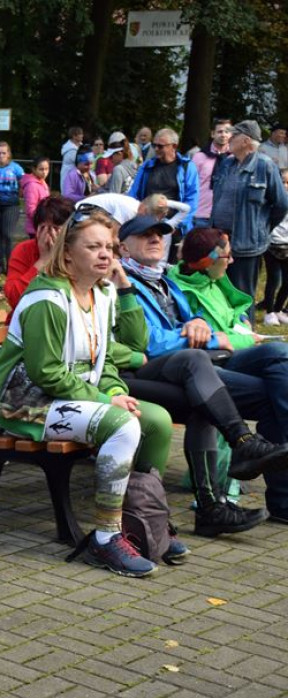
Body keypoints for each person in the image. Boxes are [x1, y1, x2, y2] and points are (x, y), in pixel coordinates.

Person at [0, 208, 174, 577]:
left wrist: (116, 392)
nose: (106, 254)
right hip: (26, 403)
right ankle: (106, 538)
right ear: (68, 252)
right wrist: (107, 402)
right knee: (123, 426)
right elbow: (46, 373)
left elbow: (103, 361)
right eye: (93, 247)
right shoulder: (48, 299)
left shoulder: (102, 293)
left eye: (109, 246)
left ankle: (147, 525)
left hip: (73, 396)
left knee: (156, 421)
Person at [118, 217, 287, 535]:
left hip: (185, 367)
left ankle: (233, 503)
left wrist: (199, 323)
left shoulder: (163, 280)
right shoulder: (121, 282)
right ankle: (243, 446)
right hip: (143, 369)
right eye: (145, 235)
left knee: (272, 377)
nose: (155, 239)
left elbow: (191, 316)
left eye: (159, 234)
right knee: (196, 364)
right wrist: (210, 337)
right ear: (123, 246)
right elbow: (146, 343)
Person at [212, 120, 288, 302]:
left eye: (234, 135)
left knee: (241, 296)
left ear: (246, 140)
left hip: (246, 244)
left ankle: (245, 330)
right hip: (219, 241)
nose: (228, 138)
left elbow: (281, 204)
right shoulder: (227, 163)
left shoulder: (265, 165)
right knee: (216, 290)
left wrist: (261, 228)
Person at [128, 127, 198, 238]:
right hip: (147, 224)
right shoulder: (146, 166)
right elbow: (133, 194)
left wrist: (179, 224)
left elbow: (192, 199)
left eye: (160, 146)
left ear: (174, 146)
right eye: (154, 145)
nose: (156, 149)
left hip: (174, 226)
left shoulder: (187, 167)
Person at [0, 142, 24, 274]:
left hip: (11, 205)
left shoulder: (16, 168)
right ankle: (1, 266)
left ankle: (10, 266)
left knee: (7, 234)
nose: (1, 156)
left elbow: (23, 183)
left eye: (3, 153)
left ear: (8, 154)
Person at [190, 118, 233, 229]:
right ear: (212, 134)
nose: (223, 135)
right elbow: (190, 185)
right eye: (219, 131)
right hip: (202, 213)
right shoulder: (199, 156)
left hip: (226, 215)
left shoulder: (235, 158)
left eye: (227, 131)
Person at [260, 170, 288, 325]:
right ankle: (269, 312)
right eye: (282, 182)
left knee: (287, 281)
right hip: (272, 244)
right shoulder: (271, 201)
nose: (285, 185)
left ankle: (278, 309)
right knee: (274, 279)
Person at [20, 156, 51, 237]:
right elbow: (31, 210)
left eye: (47, 169)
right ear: (34, 169)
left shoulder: (42, 182)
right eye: (41, 169)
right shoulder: (31, 186)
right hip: (36, 228)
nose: (44, 172)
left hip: (43, 225)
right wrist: (44, 217)